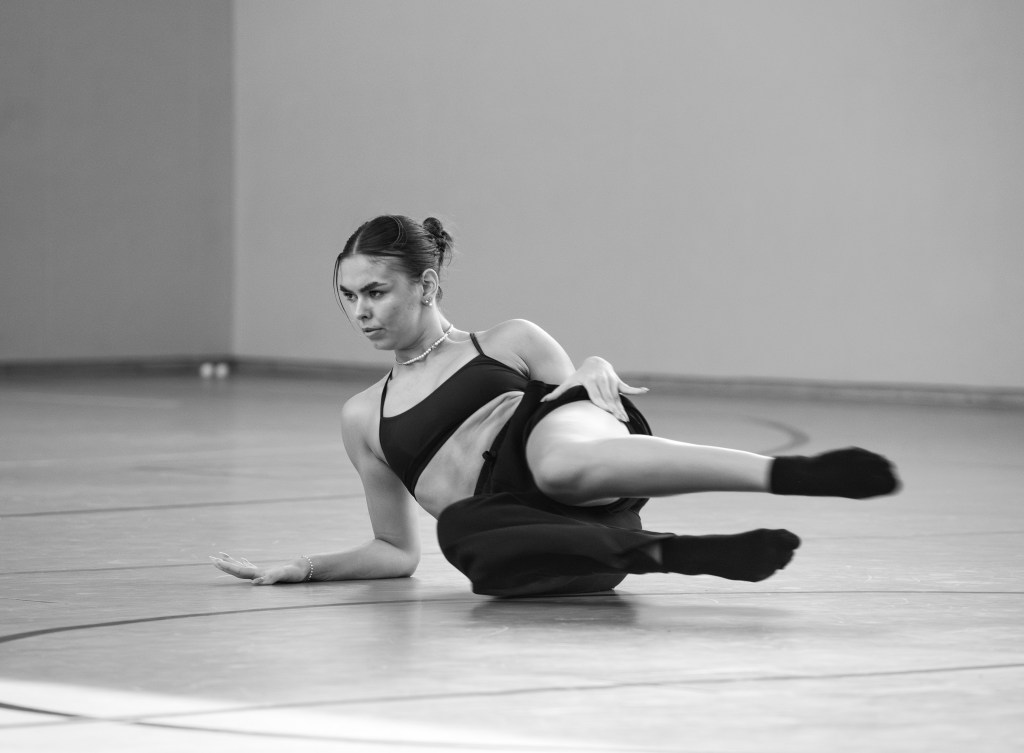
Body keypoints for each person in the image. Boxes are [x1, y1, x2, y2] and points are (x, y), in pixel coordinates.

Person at [212, 215, 900, 597]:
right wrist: (305, 567)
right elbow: (395, 552)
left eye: (375, 292)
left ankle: (787, 474)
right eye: (348, 295)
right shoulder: (364, 416)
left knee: (557, 461)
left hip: (571, 464)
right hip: (545, 541)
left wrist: (592, 369)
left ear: (426, 285)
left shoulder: (509, 342)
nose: (361, 311)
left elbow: (589, 414)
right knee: (462, 530)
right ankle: (681, 553)